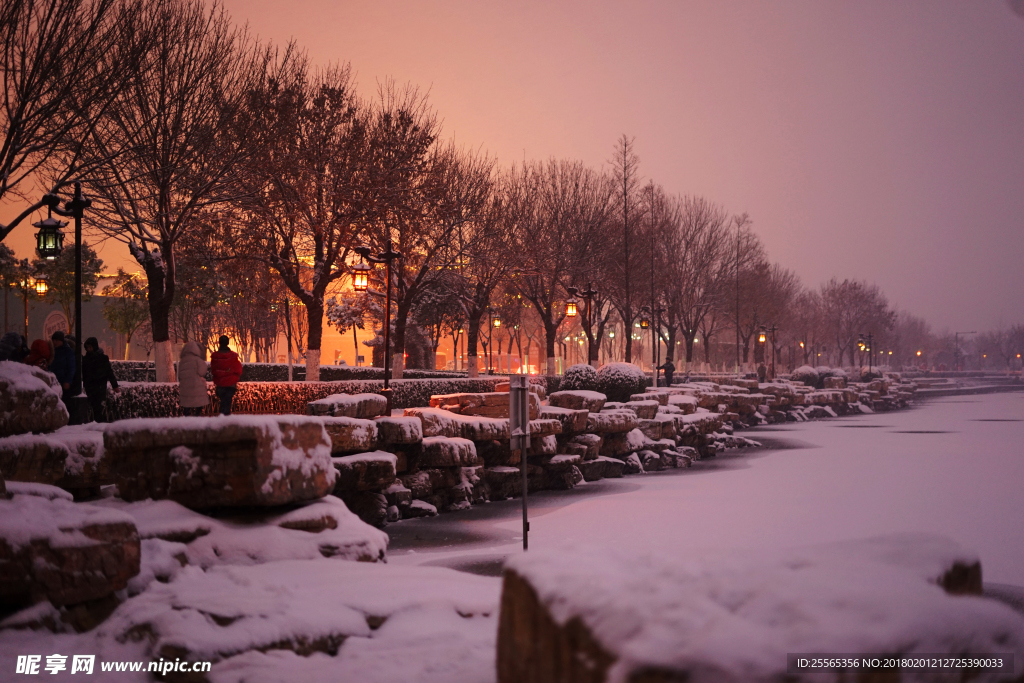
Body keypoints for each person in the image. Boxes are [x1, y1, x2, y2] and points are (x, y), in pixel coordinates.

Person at [82, 337, 119, 422]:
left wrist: (115, 385)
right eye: (87, 348)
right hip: (90, 386)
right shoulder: (85, 359)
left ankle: (98, 422)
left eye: (90, 347)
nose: (89, 349)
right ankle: (93, 422)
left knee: (98, 406)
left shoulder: (102, 358)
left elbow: (109, 372)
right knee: (91, 406)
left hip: (100, 386)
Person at [210, 335, 242, 416]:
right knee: (228, 402)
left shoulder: (215, 357)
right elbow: (238, 369)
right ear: (228, 343)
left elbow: (213, 370)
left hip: (220, 383)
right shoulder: (233, 356)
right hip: (231, 383)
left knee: (222, 401)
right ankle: (226, 419)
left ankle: (221, 418)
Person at [178, 340, 210, 416]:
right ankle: (196, 416)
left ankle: (187, 417)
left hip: (185, 386)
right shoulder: (198, 360)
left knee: (187, 403)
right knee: (199, 403)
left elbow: (180, 375)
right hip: (196, 385)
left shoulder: (182, 361)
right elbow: (202, 372)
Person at [50, 331, 76, 402]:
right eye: (53, 340)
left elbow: (71, 368)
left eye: (57, 340)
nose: (54, 342)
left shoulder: (68, 352)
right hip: (53, 382)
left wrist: (68, 381)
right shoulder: (52, 351)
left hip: (63, 382)